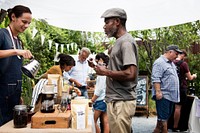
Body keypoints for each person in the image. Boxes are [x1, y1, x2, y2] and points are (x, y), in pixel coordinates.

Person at [94, 8, 138, 133]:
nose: (104, 26)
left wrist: (105, 72)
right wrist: (102, 69)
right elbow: (118, 70)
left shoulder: (126, 42)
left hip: (122, 101)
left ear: (117, 21)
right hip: (116, 100)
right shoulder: (119, 42)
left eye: (107, 22)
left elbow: (131, 73)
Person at [0, 5, 33, 126]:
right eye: (24, 22)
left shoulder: (18, 41)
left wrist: (18, 94)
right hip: (3, 90)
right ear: (13, 17)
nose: (26, 26)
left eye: (29, 23)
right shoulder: (2, 34)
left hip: (15, 90)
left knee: (12, 124)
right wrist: (15, 51)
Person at [151, 45, 182, 133]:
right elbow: (156, 78)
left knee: (163, 118)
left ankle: (157, 130)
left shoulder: (171, 63)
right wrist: (158, 92)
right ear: (170, 52)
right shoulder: (159, 62)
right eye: (176, 54)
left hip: (171, 96)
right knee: (163, 119)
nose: (177, 56)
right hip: (164, 95)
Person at [172, 49, 197, 132]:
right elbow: (189, 77)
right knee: (178, 107)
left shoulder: (171, 62)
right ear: (182, 55)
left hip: (171, 87)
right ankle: (176, 126)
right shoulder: (183, 64)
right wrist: (194, 76)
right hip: (181, 87)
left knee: (170, 106)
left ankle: (166, 125)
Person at [89, 53, 109, 133]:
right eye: (98, 64)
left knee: (93, 121)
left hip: (100, 101)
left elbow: (99, 90)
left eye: (101, 64)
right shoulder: (107, 74)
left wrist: (92, 100)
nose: (98, 66)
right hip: (105, 100)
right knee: (106, 121)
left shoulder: (101, 76)